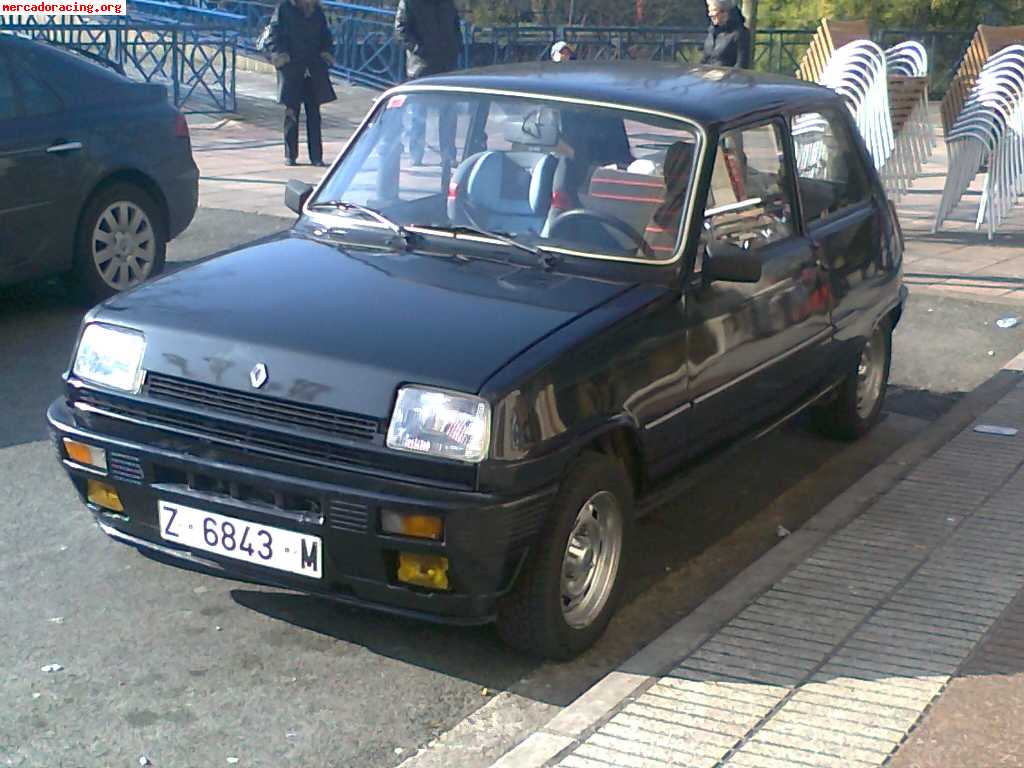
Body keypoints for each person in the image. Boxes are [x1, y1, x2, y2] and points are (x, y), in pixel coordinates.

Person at [267, 0, 337, 167]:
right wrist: (280, 55)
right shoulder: (284, 9)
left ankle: (316, 157)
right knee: (291, 111)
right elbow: (273, 35)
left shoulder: (317, 11)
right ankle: (291, 155)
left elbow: (326, 36)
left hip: (313, 67)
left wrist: (326, 54)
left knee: (314, 113)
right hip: (292, 67)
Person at [394, 0, 463, 165]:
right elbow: (400, 31)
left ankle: (448, 154)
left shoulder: (446, 4)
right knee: (419, 112)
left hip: (446, 63)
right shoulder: (409, 3)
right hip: (421, 65)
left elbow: (455, 27)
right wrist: (418, 49)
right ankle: (416, 154)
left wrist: (456, 47)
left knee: (448, 113)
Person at [700, 0, 751, 69]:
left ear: (725, 12)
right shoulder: (712, 32)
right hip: (708, 77)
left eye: (713, 10)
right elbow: (704, 60)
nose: (710, 14)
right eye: (709, 11)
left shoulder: (740, 34)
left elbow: (741, 65)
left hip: (728, 78)